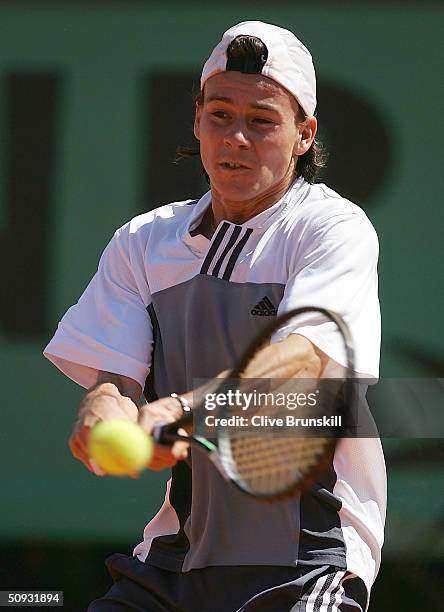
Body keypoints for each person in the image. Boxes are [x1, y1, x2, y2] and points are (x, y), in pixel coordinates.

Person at [44, 20, 386, 611]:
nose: (236, 138)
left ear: (304, 135)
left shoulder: (333, 229)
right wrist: (102, 409)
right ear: (197, 121)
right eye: (220, 115)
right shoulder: (143, 243)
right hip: (174, 560)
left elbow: (301, 362)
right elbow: (116, 380)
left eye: (262, 122)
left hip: (306, 560)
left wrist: (181, 409)